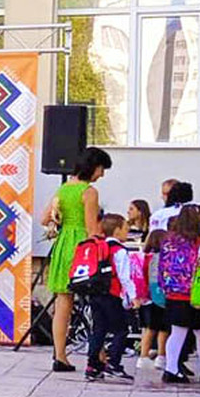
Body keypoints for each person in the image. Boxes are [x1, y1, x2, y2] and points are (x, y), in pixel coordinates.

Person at [43, 147, 112, 372]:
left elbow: (45, 218)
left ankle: (60, 356)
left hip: (63, 245)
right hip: (83, 249)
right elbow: (92, 228)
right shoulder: (89, 192)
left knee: (63, 302)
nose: (102, 174)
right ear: (93, 167)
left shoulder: (64, 188)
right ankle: (98, 354)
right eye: (101, 169)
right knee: (93, 303)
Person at [159, 205, 200, 384]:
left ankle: (171, 368)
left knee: (177, 332)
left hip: (173, 293)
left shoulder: (169, 241)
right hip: (196, 293)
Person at [84, 214, 138, 381]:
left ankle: (92, 365)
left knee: (98, 330)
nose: (127, 232)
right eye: (126, 229)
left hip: (95, 294)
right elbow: (124, 277)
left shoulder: (98, 247)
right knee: (121, 330)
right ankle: (113, 363)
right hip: (112, 295)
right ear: (117, 231)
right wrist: (133, 296)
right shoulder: (120, 251)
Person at [136, 230, 170, 372]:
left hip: (147, 295)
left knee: (150, 328)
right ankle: (161, 356)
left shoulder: (145, 257)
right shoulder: (164, 257)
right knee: (164, 328)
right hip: (160, 293)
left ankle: (143, 355)